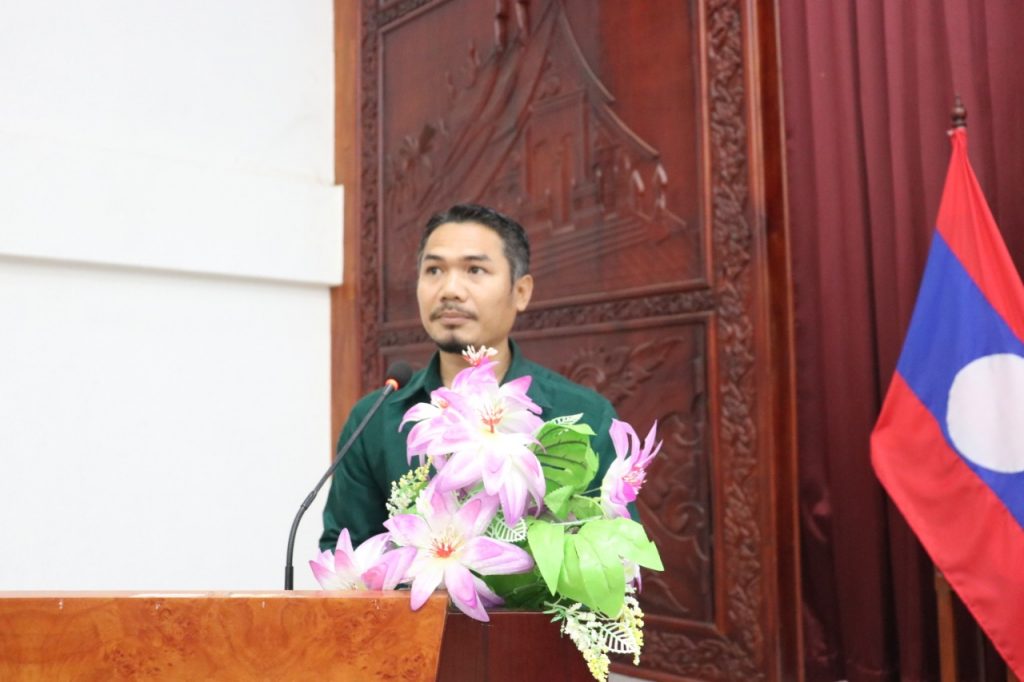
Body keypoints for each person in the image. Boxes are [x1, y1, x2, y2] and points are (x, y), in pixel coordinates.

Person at [320, 203, 620, 550]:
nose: (450, 290)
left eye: (475, 270)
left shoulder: (584, 415)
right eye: (434, 270)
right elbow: (345, 550)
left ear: (521, 292)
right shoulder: (374, 420)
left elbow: (616, 555)